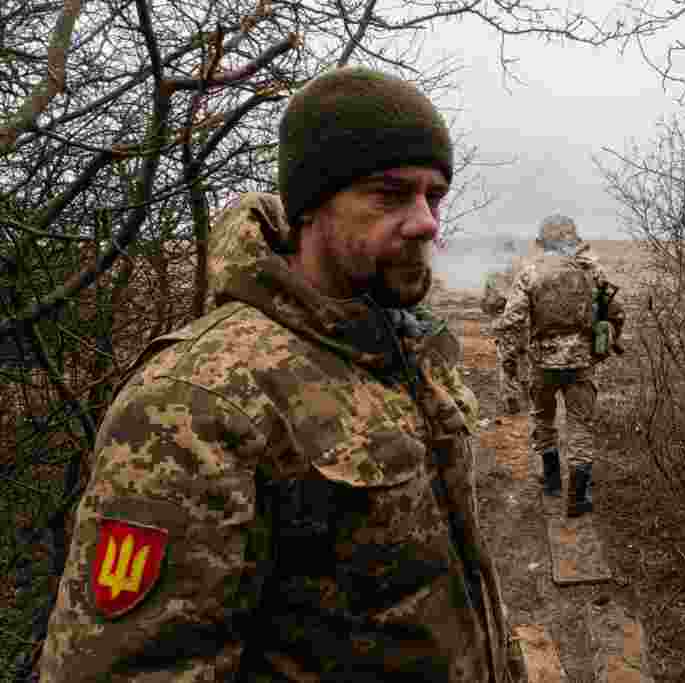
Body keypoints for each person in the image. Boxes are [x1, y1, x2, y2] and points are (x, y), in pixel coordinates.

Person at [37, 66, 514, 682]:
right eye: (390, 193)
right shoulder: (199, 397)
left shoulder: (399, 344)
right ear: (313, 205)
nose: (426, 221)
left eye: (433, 196)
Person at [495, 215, 625, 517]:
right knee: (580, 427)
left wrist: (510, 362)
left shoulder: (530, 273)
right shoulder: (592, 272)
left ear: (542, 241)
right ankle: (577, 499)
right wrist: (605, 345)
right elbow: (616, 314)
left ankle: (552, 482)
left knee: (543, 420)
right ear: (573, 239)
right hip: (581, 363)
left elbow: (512, 323)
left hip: (541, 363)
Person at [481, 264, 528, 414]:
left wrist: (497, 317)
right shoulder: (524, 272)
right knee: (526, 359)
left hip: (505, 325)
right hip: (524, 324)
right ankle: (528, 395)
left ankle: (511, 397)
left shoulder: (493, 277)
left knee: (507, 363)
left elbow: (486, 305)